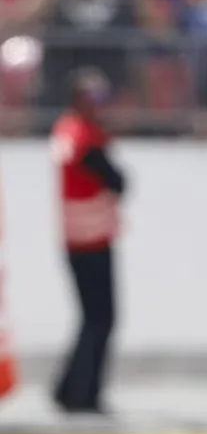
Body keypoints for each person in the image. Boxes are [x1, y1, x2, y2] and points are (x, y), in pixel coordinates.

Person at [51, 67, 126, 415]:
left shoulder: (66, 129)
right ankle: (84, 394)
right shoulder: (82, 134)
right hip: (91, 238)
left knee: (91, 317)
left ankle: (69, 389)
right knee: (101, 317)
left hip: (76, 237)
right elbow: (112, 177)